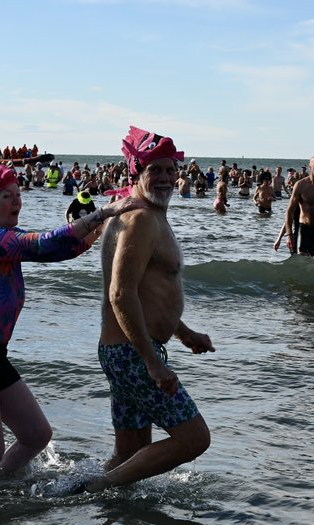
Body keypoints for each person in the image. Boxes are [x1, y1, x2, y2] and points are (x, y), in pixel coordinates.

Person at [0, 157, 139, 482]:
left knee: (36, 435)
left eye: (18, 194)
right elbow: (43, 243)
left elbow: (58, 250)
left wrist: (99, 228)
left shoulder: (2, 236)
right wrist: (102, 213)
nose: (17, 201)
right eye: (7, 196)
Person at [84, 126, 213, 493]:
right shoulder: (140, 219)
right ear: (136, 173)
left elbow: (148, 293)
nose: (165, 178)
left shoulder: (144, 213)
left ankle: (71, 494)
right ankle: (94, 490)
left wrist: (183, 332)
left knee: (129, 455)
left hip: (123, 351)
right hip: (132, 353)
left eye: (170, 169)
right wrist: (152, 362)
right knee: (194, 439)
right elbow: (121, 294)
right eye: (155, 170)